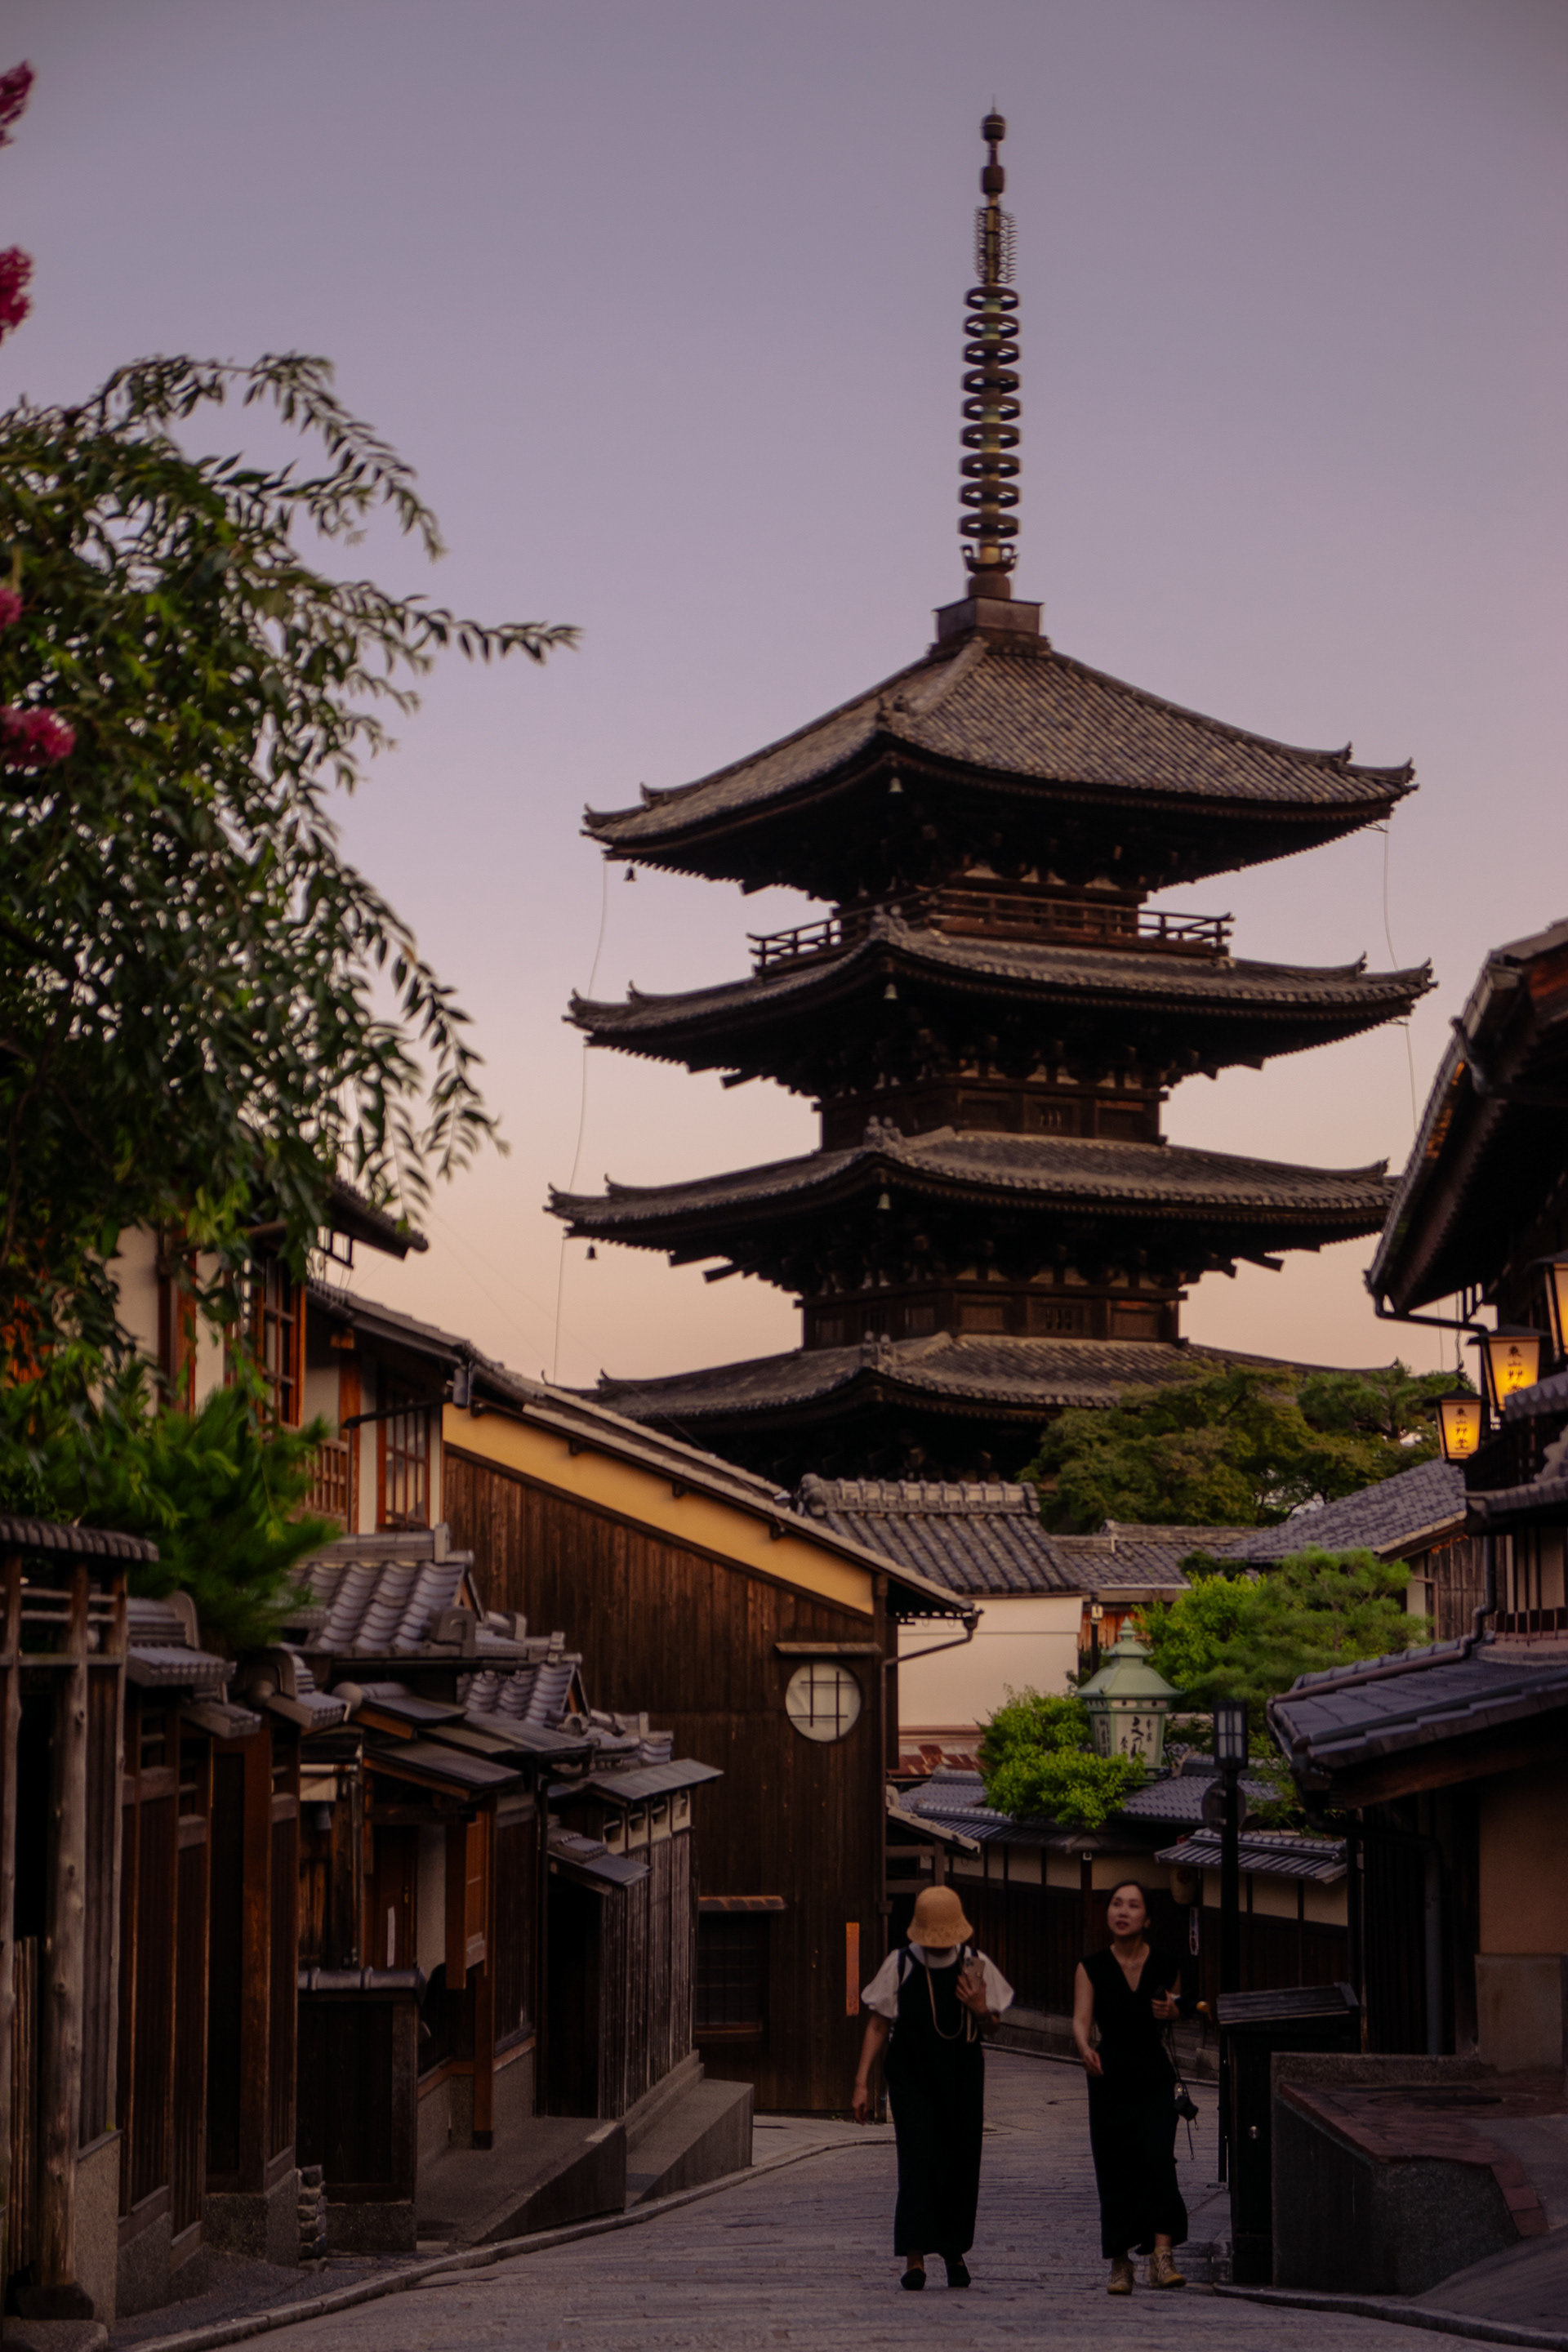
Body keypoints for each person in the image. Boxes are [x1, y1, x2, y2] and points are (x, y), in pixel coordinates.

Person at [852, 1883, 1013, 2291]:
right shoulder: (901, 1963)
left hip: (961, 2073)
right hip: (911, 2076)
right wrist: (860, 2083)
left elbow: (993, 2024)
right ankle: (915, 2258)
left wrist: (980, 2008)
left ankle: (954, 2251)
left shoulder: (975, 1964)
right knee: (917, 2160)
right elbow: (877, 2023)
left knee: (960, 2161)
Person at [1072, 1878, 1190, 2292]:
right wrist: (1085, 2047)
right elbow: (1081, 2020)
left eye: (1133, 1905)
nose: (1122, 1912)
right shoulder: (1091, 1967)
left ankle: (1163, 2256)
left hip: (1154, 2072)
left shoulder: (1165, 1963)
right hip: (1109, 2074)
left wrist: (1174, 2011)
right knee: (1115, 2166)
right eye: (1116, 1904)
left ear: (1148, 1918)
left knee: (1158, 2158)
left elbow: (1178, 2009)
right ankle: (1120, 2264)